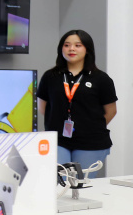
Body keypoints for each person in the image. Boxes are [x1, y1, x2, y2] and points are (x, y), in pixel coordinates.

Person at [36, 29, 117, 177]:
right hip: (58, 139)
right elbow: (43, 108)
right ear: (61, 49)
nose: (71, 49)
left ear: (87, 49)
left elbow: (111, 111)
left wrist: (90, 126)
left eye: (77, 45)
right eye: (66, 45)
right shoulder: (50, 76)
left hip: (91, 141)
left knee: (80, 184)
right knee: (59, 182)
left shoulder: (101, 79)